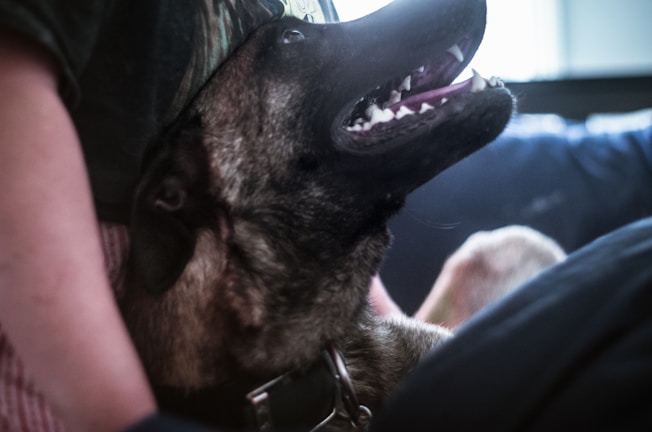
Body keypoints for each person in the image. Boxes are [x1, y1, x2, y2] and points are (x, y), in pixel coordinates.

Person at [0, 1, 354, 431]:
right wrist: (125, 418)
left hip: (297, 356)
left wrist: (376, 325)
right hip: (63, 336)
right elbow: (11, 91)